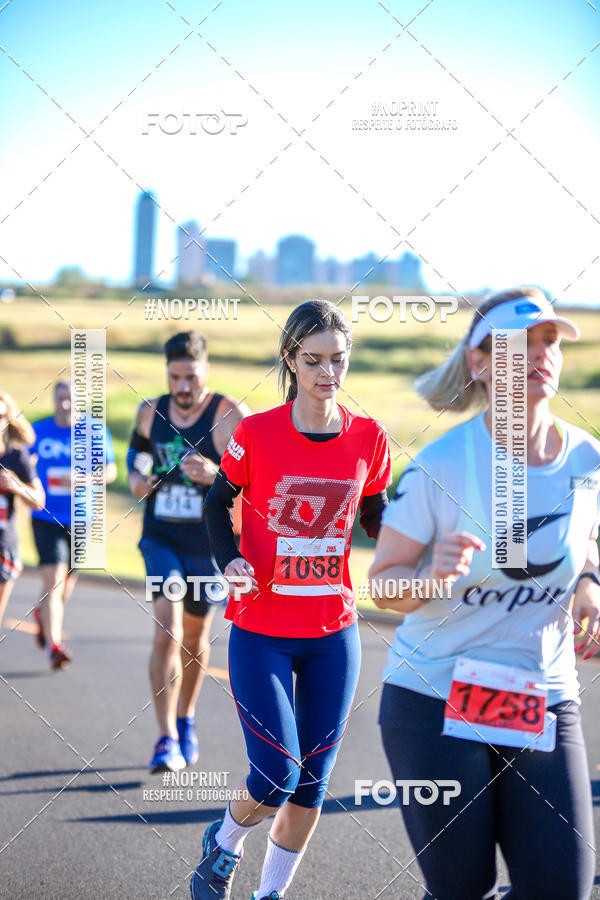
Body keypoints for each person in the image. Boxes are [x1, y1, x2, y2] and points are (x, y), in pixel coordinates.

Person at [369, 286, 599, 900]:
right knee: (461, 888)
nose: (540, 353)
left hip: (541, 693)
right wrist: (431, 578)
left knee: (562, 888)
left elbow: (585, 541)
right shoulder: (440, 464)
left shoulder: (588, 459)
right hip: (434, 696)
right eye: (519, 344)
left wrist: (589, 584)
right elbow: (382, 583)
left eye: (548, 340)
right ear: (480, 363)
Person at [190, 300, 392, 900]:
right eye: (313, 360)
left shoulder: (369, 437)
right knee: (277, 774)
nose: (328, 372)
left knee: (311, 785)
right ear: (290, 359)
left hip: (334, 632)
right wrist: (228, 559)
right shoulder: (257, 433)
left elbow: (376, 515)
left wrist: (415, 538)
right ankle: (224, 842)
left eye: (339, 359)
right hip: (262, 629)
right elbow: (216, 503)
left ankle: (269, 894)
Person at [128, 331, 249, 774]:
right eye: (175, 377)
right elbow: (136, 461)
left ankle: (185, 718)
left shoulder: (230, 415)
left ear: (206, 371)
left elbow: (257, 485)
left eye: (191, 377)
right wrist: (137, 482)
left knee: (195, 640)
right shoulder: (150, 410)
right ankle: (165, 739)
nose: (182, 387)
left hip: (210, 543)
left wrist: (217, 475)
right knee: (168, 628)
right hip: (161, 538)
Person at [30, 380, 117, 669]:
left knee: (66, 584)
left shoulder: (94, 431)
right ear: (53, 399)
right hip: (45, 516)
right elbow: (22, 463)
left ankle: (43, 613)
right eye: (60, 398)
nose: (65, 404)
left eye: (71, 399)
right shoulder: (39, 431)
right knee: (54, 581)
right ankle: (55, 647)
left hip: (82, 518)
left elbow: (110, 470)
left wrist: (87, 479)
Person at [0, 392, 45, 630]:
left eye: (0, 416)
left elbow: (39, 500)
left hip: (4, 545)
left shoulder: (16, 456)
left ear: (8, 420)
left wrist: (17, 485)